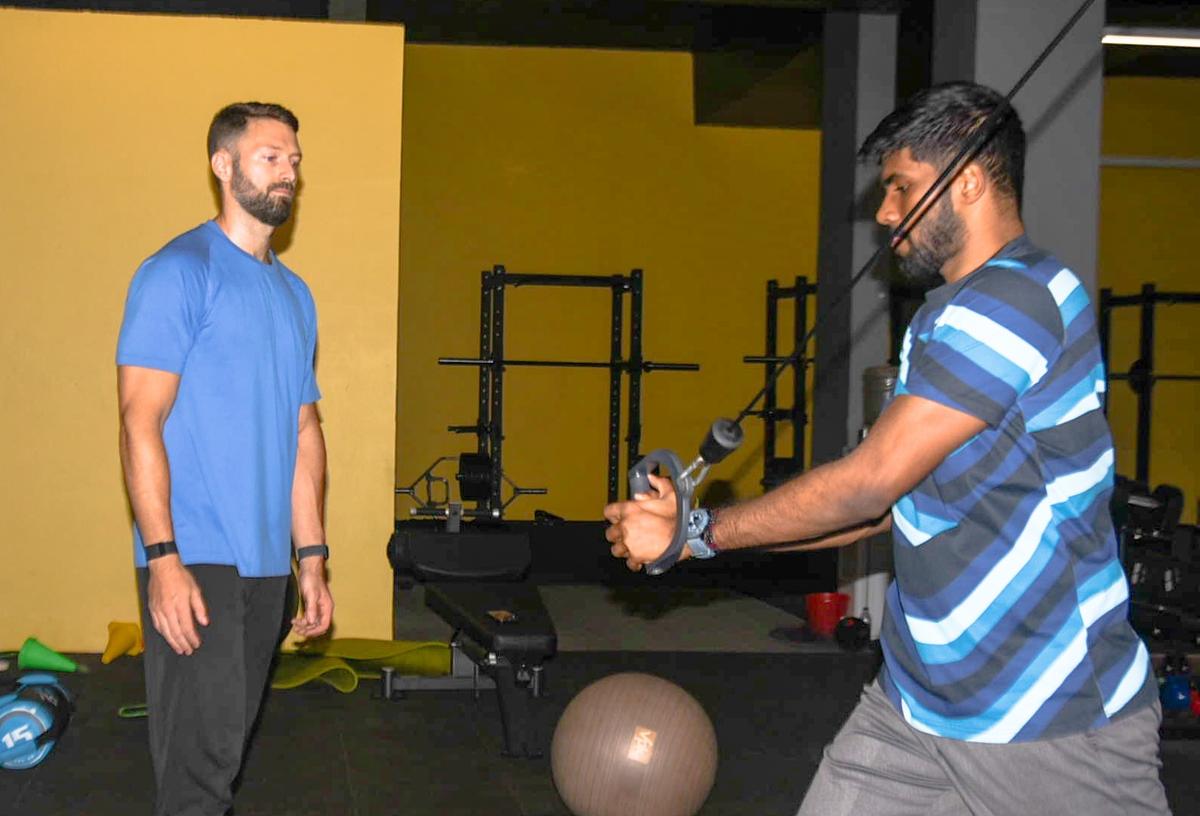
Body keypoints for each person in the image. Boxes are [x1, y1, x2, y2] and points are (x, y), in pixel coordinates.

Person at [604, 82, 1169, 816]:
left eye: (901, 188)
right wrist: (699, 540)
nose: (885, 213)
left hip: (1045, 714)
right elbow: (892, 508)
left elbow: (869, 484)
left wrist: (694, 532)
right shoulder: (946, 318)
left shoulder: (1019, 298)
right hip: (917, 706)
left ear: (968, 180)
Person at [117, 101, 334, 816]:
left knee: (225, 753)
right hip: (198, 555)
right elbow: (138, 419)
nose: (288, 174)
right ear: (224, 164)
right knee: (198, 770)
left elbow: (304, 436)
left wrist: (312, 559)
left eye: (294, 161)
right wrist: (164, 557)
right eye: (271, 157)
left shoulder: (294, 295)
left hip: (268, 564)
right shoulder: (178, 271)